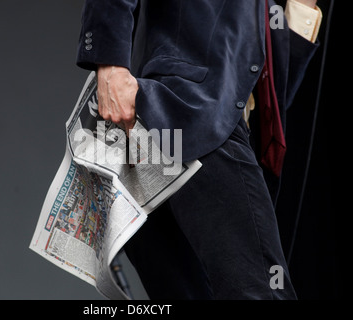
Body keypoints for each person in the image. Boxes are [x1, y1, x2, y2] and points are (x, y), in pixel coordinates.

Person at [76, 0, 322, 299]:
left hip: (211, 132)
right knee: (262, 291)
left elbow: (275, 87)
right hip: (186, 115)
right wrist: (111, 66)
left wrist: (303, 7)